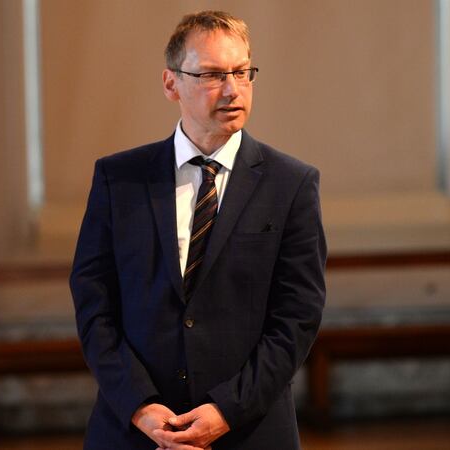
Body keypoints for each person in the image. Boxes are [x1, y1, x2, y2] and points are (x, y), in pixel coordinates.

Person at [70, 10, 326, 450]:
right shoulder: (120, 179)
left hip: (249, 431)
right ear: (171, 83)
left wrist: (226, 410)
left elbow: (296, 319)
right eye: (212, 75)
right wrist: (140, 406)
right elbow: (94, 305)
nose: (232, 89)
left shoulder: (292, 184)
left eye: (242, 72)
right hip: (134, 432)